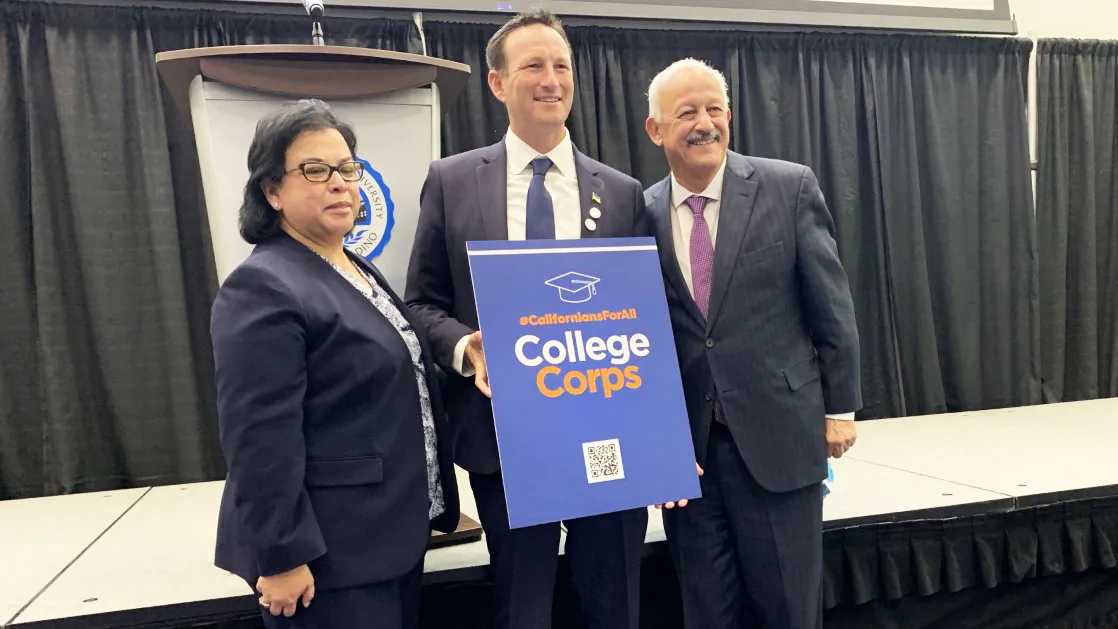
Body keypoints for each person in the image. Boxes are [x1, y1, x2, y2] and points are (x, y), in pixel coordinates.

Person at [404, 9, 649, 629]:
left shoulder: (621, 193)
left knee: (614, 601)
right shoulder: (453, 181)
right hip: (503, 439)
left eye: (561, 66)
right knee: (523, 606)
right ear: (497, 83)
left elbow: (648, 318)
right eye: (533, 65)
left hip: (607, 435)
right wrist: (467, 347)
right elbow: (420, 304)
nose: (551, 79)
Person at [210, 99, 459, 629]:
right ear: (271, 190)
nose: (340, 183)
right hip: (326, 560)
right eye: (315, 171)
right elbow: (257, 437)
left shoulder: (354, 267)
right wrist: (280, 555)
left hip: (387, 539)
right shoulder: (263, 286)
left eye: (347, 168)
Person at [642, 58, 861, 629]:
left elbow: (831, 308)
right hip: (687, 459)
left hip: (779, 441)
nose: (705, 123)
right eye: (686, 111)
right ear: (655, 129)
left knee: (789, 609)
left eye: (715, 108)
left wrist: (839, 409)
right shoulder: (637, 213)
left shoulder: (789, 187)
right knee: (707, 613)